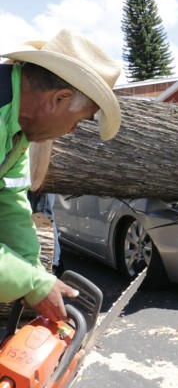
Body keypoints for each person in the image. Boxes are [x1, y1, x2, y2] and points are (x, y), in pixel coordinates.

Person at [0, 29, 121, 322]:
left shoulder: (17, 133)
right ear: (59, 98)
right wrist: (32, 283)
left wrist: (32, 269)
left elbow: (11, 199)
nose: (72, 131)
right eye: (78, 120)